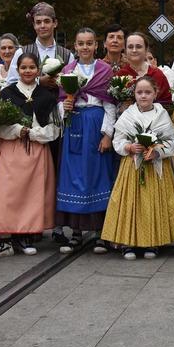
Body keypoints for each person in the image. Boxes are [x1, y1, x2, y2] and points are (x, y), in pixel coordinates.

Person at [0, 52, 59, 259]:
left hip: (36, 150)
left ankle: (24, 237)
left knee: (31, 195)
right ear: (17, 69)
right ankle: (5, 240)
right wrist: (19, 130)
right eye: (23, 67)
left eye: (32, 67)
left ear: (38, 70)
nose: (27, 71)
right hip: (12, 149)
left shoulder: (46, 95)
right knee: (7, 194)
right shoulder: (7, 93)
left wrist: (34, 133)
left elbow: (55, 128)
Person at [102, 75, 174, 259]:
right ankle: (128, 242)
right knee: (130, 202)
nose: (143, 96)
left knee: (153, 202)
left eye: (148, 92)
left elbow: (172, 141)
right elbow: (118, 139)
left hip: (155, 167)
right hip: (132, 166)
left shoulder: (162, 115)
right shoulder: (128, 115)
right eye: (139, 92)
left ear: (155, 94)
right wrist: (129, 147)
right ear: (134, 94)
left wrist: (157, 152)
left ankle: (152, 242)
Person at [55, 28, 119, 253]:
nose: (84, 47)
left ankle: (102, 233)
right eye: (81, 43)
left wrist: (107, 134)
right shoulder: (68, 70)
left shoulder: (104, 70)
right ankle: (76, 233)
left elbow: (110, 104)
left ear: (96, 45)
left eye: (89, 43)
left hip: (96, 123)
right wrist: (65, 107)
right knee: (74, 176)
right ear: (75, 45)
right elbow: (60, 101)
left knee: (98, 174)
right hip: (75, 124)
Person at [7, 2, 73, 84]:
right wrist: (38, 82)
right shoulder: (21, 53)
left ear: (55, 23)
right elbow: (11, 83)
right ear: (34, 25)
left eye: (47, 21)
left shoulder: (67, 55)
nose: (42, 26)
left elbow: (74, 85)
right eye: (38, 22)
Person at [117, 33, 173, 106]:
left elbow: (167, 104)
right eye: (130, 47)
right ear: (125, 51)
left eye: (138, 46)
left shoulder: (158, 75)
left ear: (146, 50)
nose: (134, 50)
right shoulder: (120, 75)